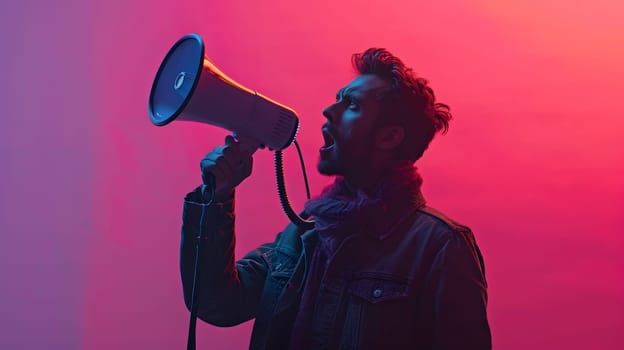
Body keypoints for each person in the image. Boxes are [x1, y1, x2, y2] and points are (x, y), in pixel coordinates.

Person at [180, 48, 491, 349]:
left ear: (389, 137)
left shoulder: (439, 246)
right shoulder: (306, 233)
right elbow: (216, 303)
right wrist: (218, 195)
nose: (328, 111)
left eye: (352, 104)